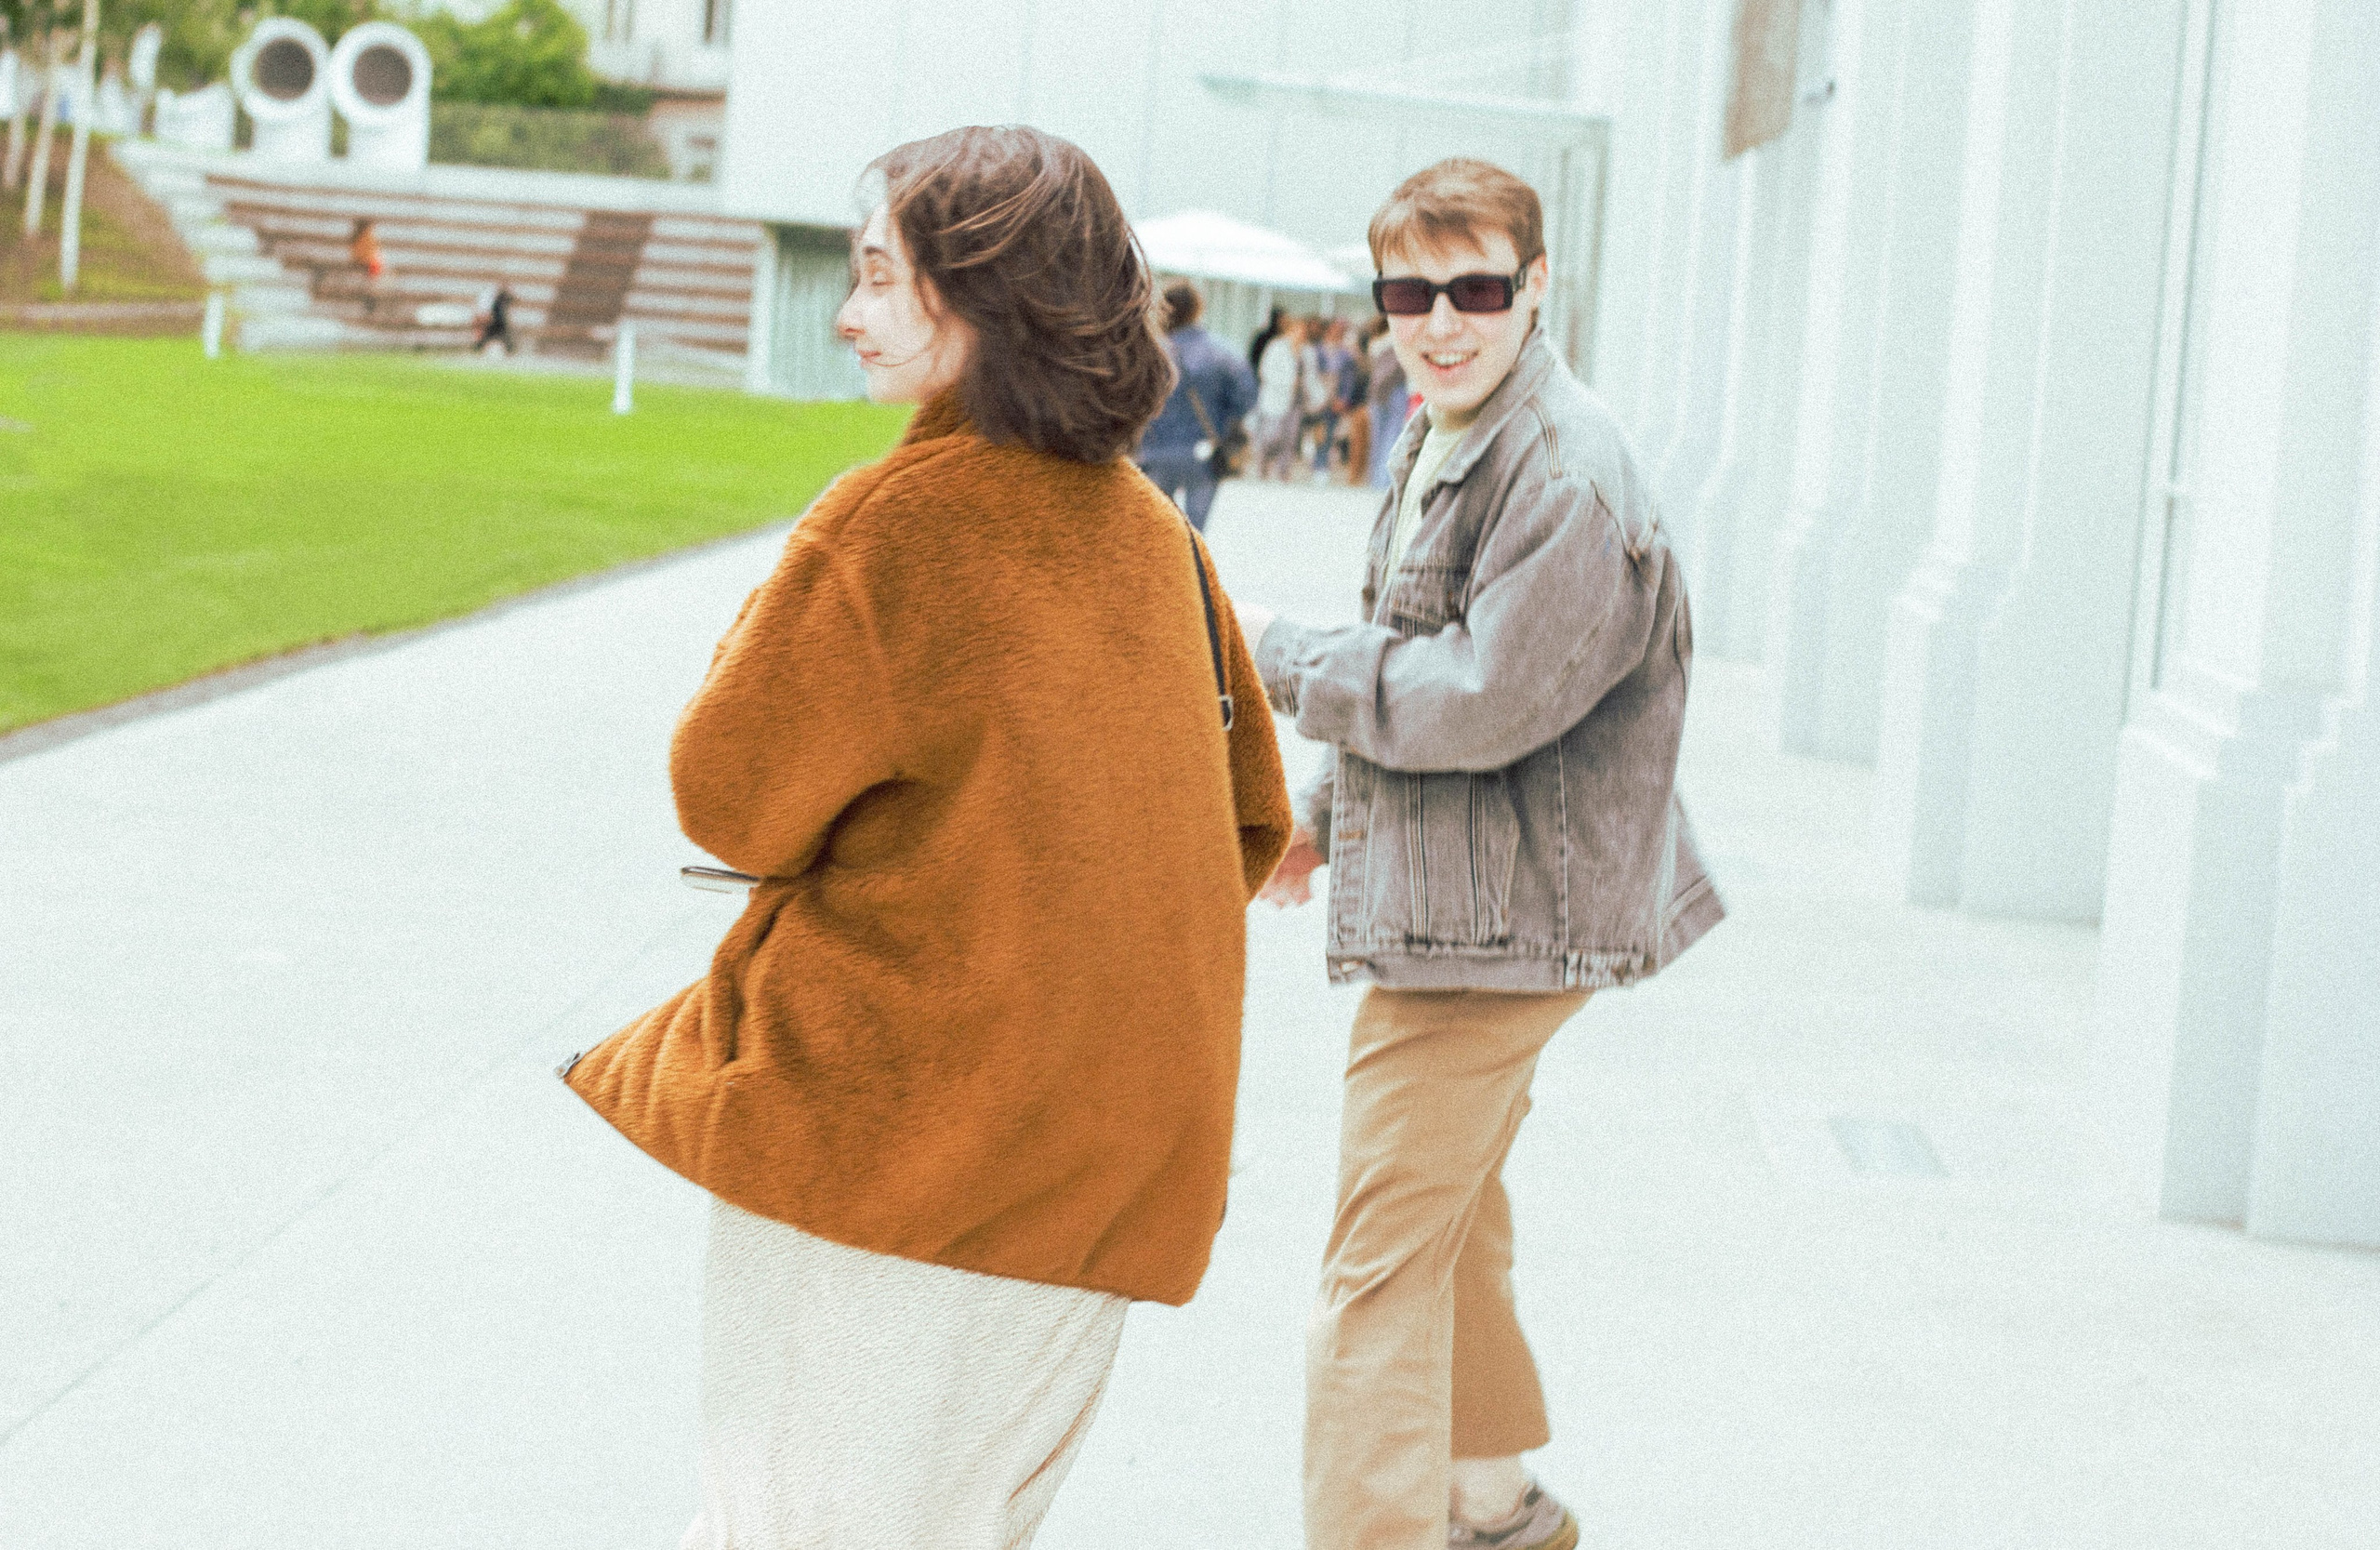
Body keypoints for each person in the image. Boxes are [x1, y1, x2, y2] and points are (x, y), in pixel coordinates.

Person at [559, 124, 1292, 1550]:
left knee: (781, 1522)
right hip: (1109, 1173)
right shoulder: (1160, 539)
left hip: (905, 1154)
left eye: (881, 275)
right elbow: (1250, 823)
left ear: (980, 296)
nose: (849, 311)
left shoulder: (901, 520)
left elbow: (727, 793)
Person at [1235, 158, 1725, 1550]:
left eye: (1476, 288)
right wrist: (1327, 821)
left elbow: (1478, 694)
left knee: (1372, 1272)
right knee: (1446, 1221)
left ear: (1537, 283)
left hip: (1500, 927)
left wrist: (1272, 651)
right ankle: (1495, 1502)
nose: (1440, 319)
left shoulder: (1562, 468)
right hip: (1472, 901)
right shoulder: (1454, 421)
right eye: (1408, 291)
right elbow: (1422, 645)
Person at [1138, 277, 1256, 532]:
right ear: (1197, 309)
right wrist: (1223, 421)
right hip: (1204, 453)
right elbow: (1247, 397)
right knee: (1194, 535)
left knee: (1154, 532)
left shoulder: (1147, 351)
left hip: (1154, 451)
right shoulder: (1222, 352)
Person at [1255, 314, 1305, 480]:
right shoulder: (1276, 347)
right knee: (1271, 435)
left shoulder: (1305, 351)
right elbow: (1265, 371)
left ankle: (1283, 472)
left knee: (1289, 438)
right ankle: (1262, 467)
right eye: (1298, 331)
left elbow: (1310, 376)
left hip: (1296, 401)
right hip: (1275, 399)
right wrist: (1289, 383)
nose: (1301, 335)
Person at [1365, 314, 1410, 489]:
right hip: (1395, 392)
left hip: (1376, 394)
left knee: (1376, 439)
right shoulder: (1397, 339)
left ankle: (1374, 479)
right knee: (1392, 438)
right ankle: (1383, 482)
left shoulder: (1374, 343)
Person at [473, 282, 515, 355]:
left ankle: (510, 351)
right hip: (494, 321)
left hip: (499, 322)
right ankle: (477, 349)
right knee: (488, 336)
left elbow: (512, 299)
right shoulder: (494, 298)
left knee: (503, 337)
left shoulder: (501, 298)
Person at [349, 217, 384, 281]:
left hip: (368, 266)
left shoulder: (368, 239)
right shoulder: (363, 240)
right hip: (365, 266)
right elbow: (360, 256)